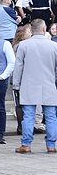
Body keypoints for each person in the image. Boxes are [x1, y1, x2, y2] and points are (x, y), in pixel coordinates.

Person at [12, 19, 57, 154]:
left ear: (31, 30)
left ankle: (26, 144)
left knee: (28, 116)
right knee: (51, 116)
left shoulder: (24, 45)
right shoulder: (54, 46)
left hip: (29, 84)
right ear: (44, 30)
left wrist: (16, 84)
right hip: (49, 84)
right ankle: (51, 145)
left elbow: (18, 66)